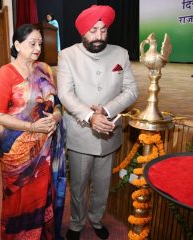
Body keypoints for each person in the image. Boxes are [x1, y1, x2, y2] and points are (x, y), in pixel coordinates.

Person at [57, 5, 138, 240]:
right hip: (81, 132)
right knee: (80, 185)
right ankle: (76, 223)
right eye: (93, 31)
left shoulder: (120, 54)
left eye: (103, 30)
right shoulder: (68, 55)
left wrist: (107, 109)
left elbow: (132, 90)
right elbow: (65, 94)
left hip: (109, 132)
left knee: (102, 185)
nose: (99, 36)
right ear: (83, 32)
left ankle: (97, 219)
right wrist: (90, 116)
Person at [0, 24, 66, 240]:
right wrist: (33, 127)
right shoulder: (7, 73)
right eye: (32, 43)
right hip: (16, 149)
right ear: (17, 45)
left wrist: (54, 118)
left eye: (40, 43)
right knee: (20, 196)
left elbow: (57, 104)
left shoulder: (44, 68)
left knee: (42, 192)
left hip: (44, 144)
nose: (38, 48)